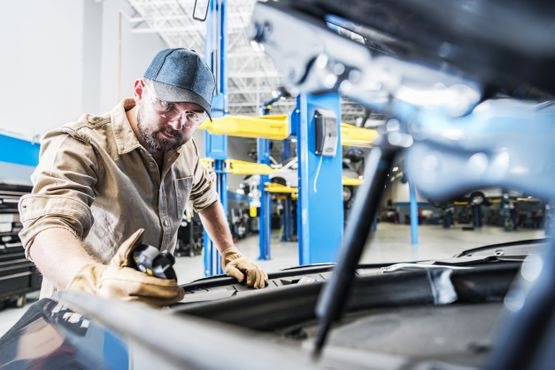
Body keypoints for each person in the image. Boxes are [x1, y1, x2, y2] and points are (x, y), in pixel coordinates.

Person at [18, 48, 268, 306]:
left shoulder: (186, 150)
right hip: (80, 311)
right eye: (167, 105)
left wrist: (230, 252)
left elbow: (207, 199)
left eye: (192, 115)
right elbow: (48, 224)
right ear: (139, 90)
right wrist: (91, 279)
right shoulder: (83, 144)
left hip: (149, 307)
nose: (177, 123)